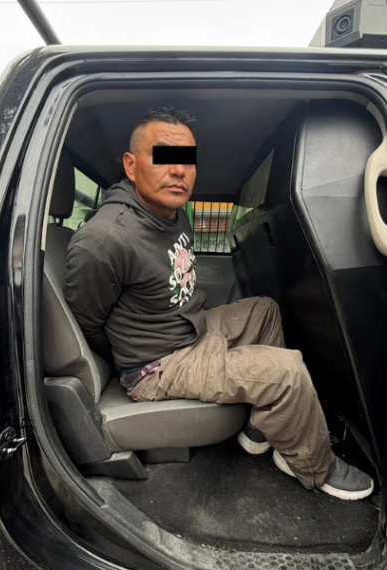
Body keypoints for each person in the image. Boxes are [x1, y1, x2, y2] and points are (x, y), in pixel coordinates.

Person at [64, 106, 374, 501]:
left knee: (265, 309)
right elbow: (87, 324)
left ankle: (264, 426)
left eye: (187, 160)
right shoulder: (105, 240)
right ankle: (314, 466)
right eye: (163, 157)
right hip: (158, 365)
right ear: (130, 164)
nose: (179, 170)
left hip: (188, 332)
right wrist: (135, 360)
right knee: (287, 371)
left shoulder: (172, 213)